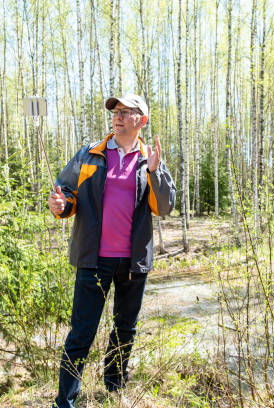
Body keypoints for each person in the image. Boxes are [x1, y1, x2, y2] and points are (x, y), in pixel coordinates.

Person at [48, 93, 176, 408]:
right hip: (93, 260)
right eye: (115, 111)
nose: (117, 117)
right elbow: (66, 191)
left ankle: (113, 392)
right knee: (81, 333)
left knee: (124, 332)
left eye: (126, 112)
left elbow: (164, 207)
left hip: (133, 263)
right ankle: (64, 402)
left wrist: (156, 173)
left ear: (141, 121)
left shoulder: (150, 159)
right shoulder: (90, 155)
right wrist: (62, 205)